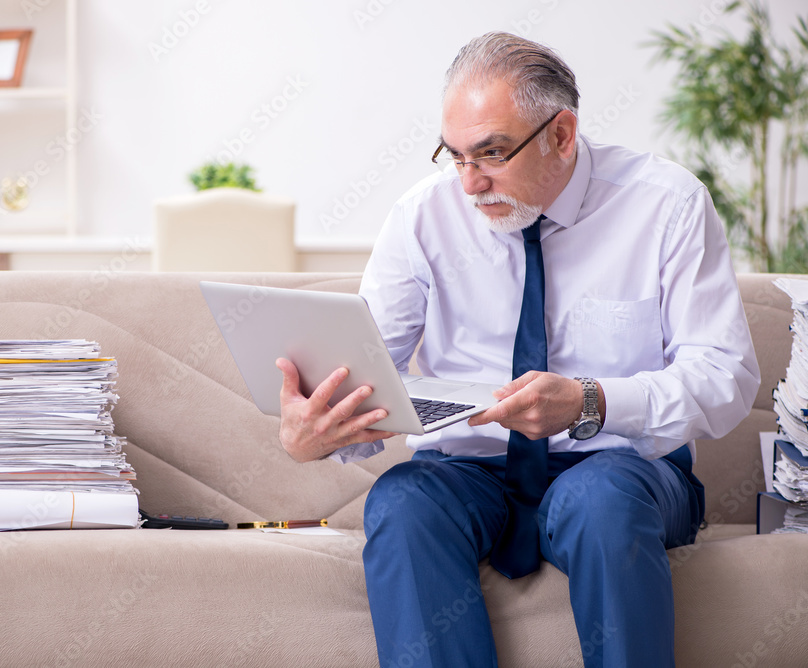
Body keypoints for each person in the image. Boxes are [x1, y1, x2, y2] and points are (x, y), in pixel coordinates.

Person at [276, 31, 761, 668]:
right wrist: (323, 428)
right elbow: (369, 370)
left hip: (626, 472)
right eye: (453, 156)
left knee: (600, 501)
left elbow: (726, 377)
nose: (470, 183)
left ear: (562, 134)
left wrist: (592, 402)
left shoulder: (666, 205)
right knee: (402, 499)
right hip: (468, 472)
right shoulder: (422, 217)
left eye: (492, 153)